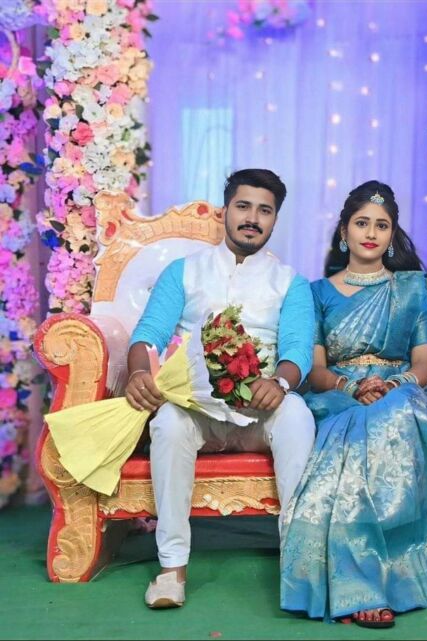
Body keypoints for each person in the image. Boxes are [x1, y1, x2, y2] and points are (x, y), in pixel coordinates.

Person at [125, 168, 316, 609]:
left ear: (275, 219)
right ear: (225, 211)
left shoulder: (290, 282)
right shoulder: (184, 272)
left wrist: (280, 382)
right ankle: (171, 569)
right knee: (169, 421)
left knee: (297, 415)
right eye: (243, 206)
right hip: (198, 409)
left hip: (259, 412)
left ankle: (301, 566)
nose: (252, 218)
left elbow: (298, 350)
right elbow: (148, 334)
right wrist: (137, 373)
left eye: (264, 211)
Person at [280, 180, 427, 628]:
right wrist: (351, 388)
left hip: (402, 393)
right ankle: (357, 587)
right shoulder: (317, 292)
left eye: (382, 225)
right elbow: (315, 370)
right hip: (340, 397)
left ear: (392, 235)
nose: (371, 233)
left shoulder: (411, 289)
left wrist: (391, 385)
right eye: (361, 223)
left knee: (394, 413)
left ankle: (385, 578)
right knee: (349, 438)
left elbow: (424, 365)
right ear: (344, 231)